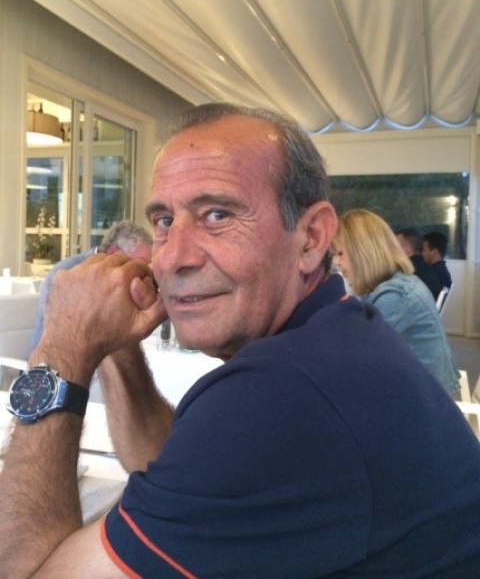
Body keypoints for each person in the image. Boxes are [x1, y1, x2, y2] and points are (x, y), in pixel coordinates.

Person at [1, 103, 480, 578]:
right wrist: (111, 343)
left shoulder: (283, 393)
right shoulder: (334, 332)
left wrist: (63, 350)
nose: (171, 259)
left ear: (312, 238)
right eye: (164, 221)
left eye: (216, 215)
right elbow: (169, 463)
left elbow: (21, 570)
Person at [334, 209, 460, 396]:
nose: (337, 262)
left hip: (429, 397)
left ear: (362, 252)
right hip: (425, 386)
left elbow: (360, 357)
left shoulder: (395, 295)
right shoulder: (395, 283)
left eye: (340, 253)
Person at [27, 220, 153, 355]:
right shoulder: (67, 273)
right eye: (139, 266)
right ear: (114, 254)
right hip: (52, 362)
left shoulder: (124, 281)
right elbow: (63, 340)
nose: (145, 275)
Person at [395, 227, 443, 299]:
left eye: (394, 246)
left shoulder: (404, 271)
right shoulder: (431, 269)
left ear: (406, 250)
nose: (390, 251)